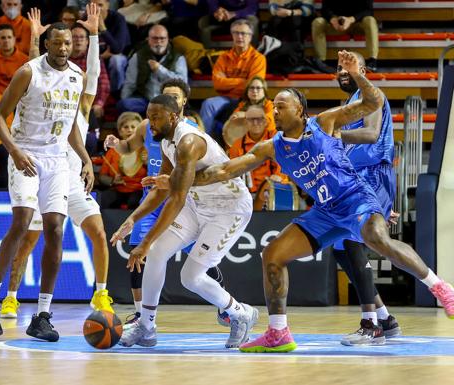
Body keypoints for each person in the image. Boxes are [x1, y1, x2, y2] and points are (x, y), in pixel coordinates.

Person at [162, 51, 454, 353]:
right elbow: (222, 170)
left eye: (282, 106)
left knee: (375, 237)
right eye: (274, 107)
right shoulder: (271, 147)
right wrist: (176, 180)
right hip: (326, 212)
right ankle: (278, 333)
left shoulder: (324, 123)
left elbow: (373, 103)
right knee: (272, 254)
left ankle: (440, 288)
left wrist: (358, 74)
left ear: (300, 110)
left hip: (355, 198)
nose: (275, 112)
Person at [0, 6, 96, 342]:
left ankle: (42, 314)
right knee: (23, 220)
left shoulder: (77, 75)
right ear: (46, 45)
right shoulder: (28, 73)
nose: (64, 48)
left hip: (58, 158)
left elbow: (71, 127)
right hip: (26, 152)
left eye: (68, 43)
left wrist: (85, 158)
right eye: (57, 43)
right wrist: (14, 151)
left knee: (56, 228)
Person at [110, 94, 258, 349]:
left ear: (173, 116)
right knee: (156, 253)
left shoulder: (188, 142)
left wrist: (144, 242)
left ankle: (241, 313)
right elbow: (161, 188)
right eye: (149, 116)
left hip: (228, 209)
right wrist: (133, 219)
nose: (151, 123)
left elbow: (176, 197)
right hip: (197, 204)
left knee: (191, 277)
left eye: (156, 117)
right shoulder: (168, 142)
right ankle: (146, 325)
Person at [0, 6, 114, 320]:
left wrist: (93, 34)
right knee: (28, 237)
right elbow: (37, 75)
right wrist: (35, 39)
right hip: (39, 168)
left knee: (97, 232)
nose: (63, 49)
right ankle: (10, 296)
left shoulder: (82, 102)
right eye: (57, 43)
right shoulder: (44, 86)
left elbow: (89, 73)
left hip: (70, 179)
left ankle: (100, 293)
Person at [104, 78, 230, 328]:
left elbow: (185, 181)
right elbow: (128, 147)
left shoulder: (190, 132)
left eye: (175, 96)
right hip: (154, 196)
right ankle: (143, 316)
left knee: (199, 259)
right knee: (139, 252)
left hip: (183, 199)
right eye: (165, 95)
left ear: (182, 102)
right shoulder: (150, 127)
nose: (169, 100)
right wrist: (116, 145)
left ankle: (223, 304)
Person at [334, 52, 400, 345]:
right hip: (360, 177)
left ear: (362, 69)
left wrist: (331, 134)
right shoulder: (349, 104)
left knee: (351, 241)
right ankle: (384, 317)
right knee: (337, 246)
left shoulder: (370, 94)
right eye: (338, 68)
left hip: (373, 174)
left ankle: (370, 324)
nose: (342, 72)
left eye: (348, 67)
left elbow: (372, 134)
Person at [199, 19, 266, 136]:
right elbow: (217, 84)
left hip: (248, 100)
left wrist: (227, 81)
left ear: (250, 37)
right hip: (226, 97)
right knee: (208, 104)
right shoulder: (223, 57)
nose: (240, 36)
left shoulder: (258, 58)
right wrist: (243, 82)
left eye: (244, 33)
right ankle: (205, 142)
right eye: (236, 33)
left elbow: (253, 86)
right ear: (232, 35)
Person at [117, 24, 188, 115]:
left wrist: (160, 70)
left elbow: (183, 83)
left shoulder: (178, 57)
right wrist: (124, 100)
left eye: (162, 38)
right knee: (123, 104)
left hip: (169, 102)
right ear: (148, 39)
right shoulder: (138, 56)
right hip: (145, 101)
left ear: (168, 39)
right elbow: (130, 82)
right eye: (155, 38)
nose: (158, 42)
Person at [311, 0, 378, 73]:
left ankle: (372, 61)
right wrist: (332, 19)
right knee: (317, 22)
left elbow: (369, 11)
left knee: (370, 20)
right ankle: (321, 62)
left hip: (357, 24)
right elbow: (324, 10)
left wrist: (351, 19)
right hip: (336, 24)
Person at [99, 112, 147, 208]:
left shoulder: (145, 149)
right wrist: (113, 180)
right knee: (104, 199)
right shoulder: (112, 151)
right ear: (120, 131)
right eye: (126, 127)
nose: (130, 130)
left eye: (133, 127)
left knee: (135, 202)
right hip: (117, 189)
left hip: (138, 190)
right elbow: (102, 177)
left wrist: (147, 163)